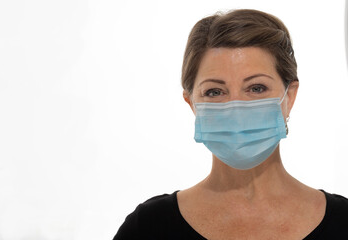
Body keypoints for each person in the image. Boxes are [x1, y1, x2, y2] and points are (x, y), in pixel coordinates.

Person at [113, 9, 348, 239]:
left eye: (256, 88)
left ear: (289, 96)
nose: (236, 109)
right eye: (215, 92)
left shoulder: (344, 221)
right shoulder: (148, 227)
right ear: (192, 103)